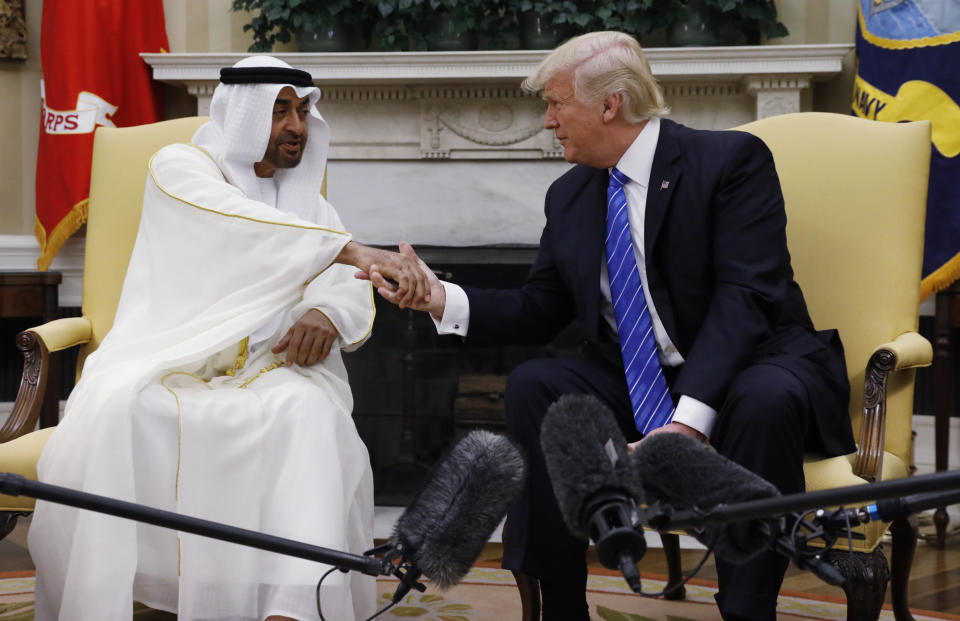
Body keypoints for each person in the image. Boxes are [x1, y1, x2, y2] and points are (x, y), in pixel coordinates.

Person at [369, 32, 856, 621]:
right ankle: (561, 605)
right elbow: (540, 307)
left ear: (610, 105)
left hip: (748, 365)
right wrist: (438, 298)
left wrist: (689, 424)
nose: (547, 121)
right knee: (537, 384)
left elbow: (745, 299)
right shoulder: (570, 195)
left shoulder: (729, 161)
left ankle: (748, 609)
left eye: (556, 103)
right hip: (638, 378)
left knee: (764, 397)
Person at [28, 56, 429, 621]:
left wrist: (324, 313)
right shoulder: (179, 167)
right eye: (280, 110)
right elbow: (236, 222)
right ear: (242, 114)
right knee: (118, 413)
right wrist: (350, 248)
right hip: (168, 364)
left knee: (311, 415)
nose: (297, 126)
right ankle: (112, 601)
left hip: (271, 370)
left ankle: (293, 607)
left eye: (303, 111)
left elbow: (341, 281)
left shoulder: (308, 204)